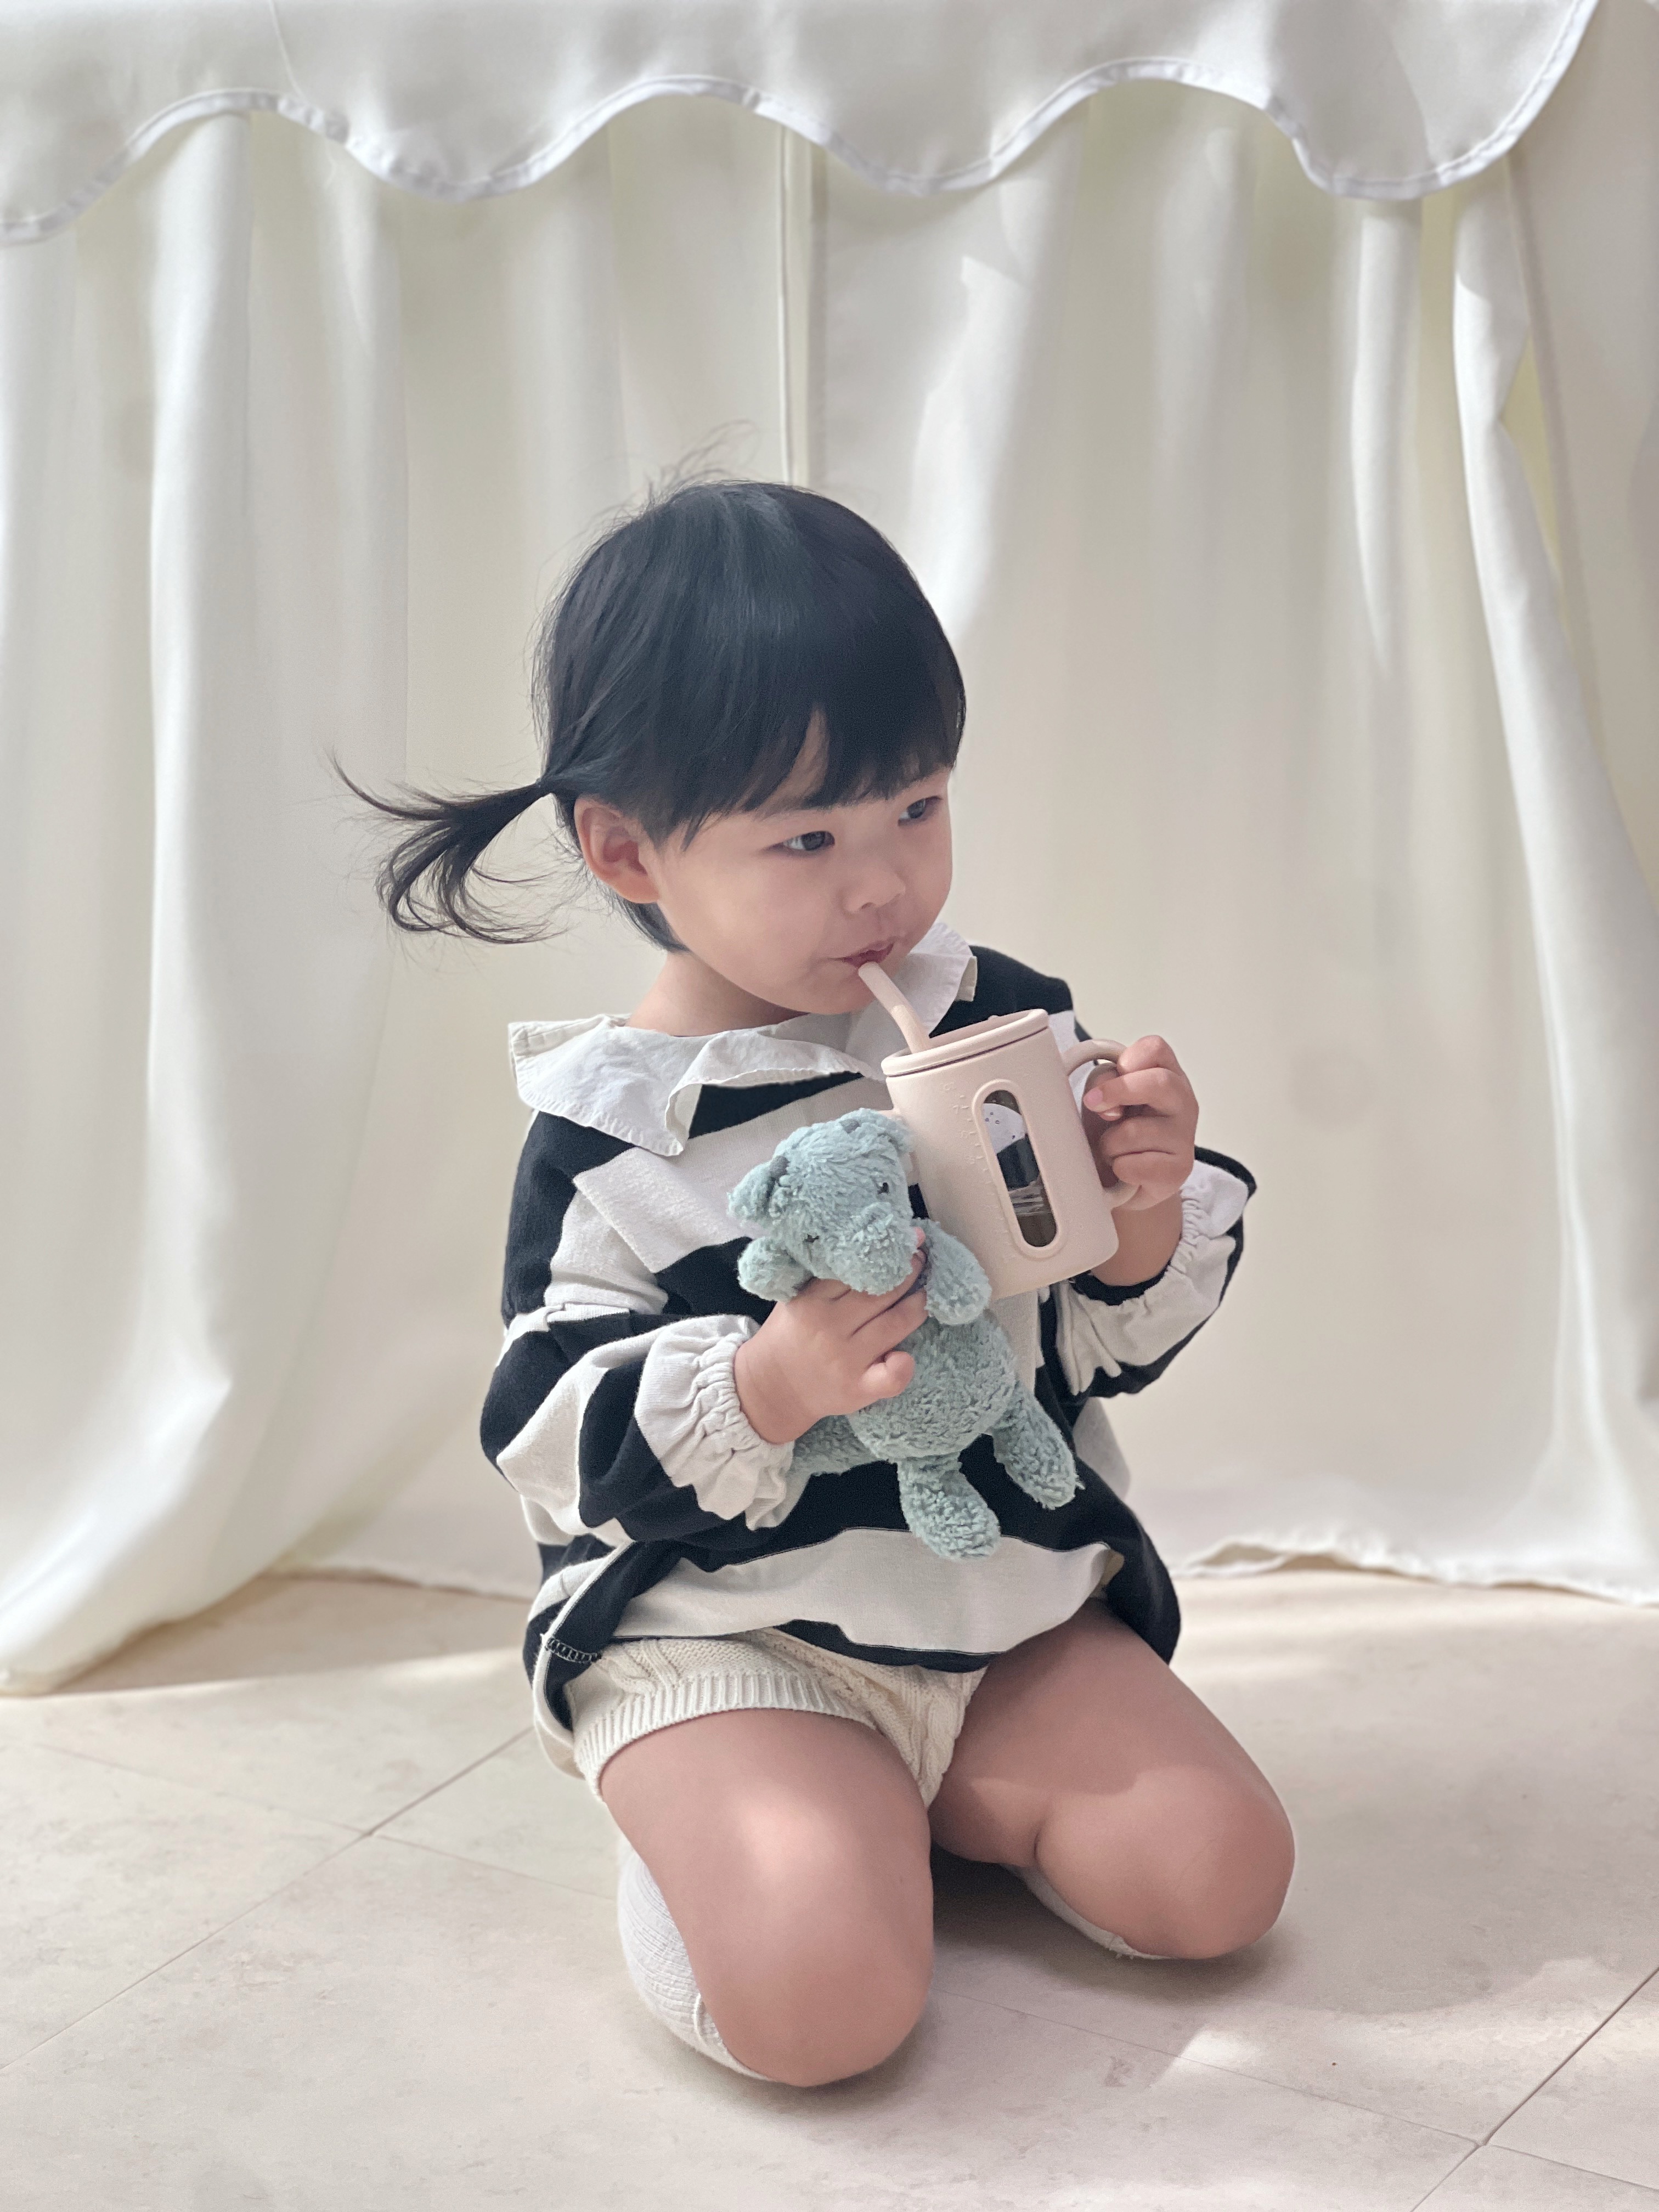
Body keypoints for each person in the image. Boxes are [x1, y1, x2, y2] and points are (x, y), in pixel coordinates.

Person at [360, 479, 1294, 2087]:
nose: (881, 886)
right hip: (732, 1638)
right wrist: (763, 1385)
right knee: (824, 2013)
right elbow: (546, 1434)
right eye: (808, 839)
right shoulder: (617, 1132)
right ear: (626, 848)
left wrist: (1138, 1205)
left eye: (916, 809)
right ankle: (732, 1832)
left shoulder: (989, 1023)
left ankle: (904, 1810)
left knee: (1221, 1879)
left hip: (992, 1609)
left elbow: (1090, 1340)